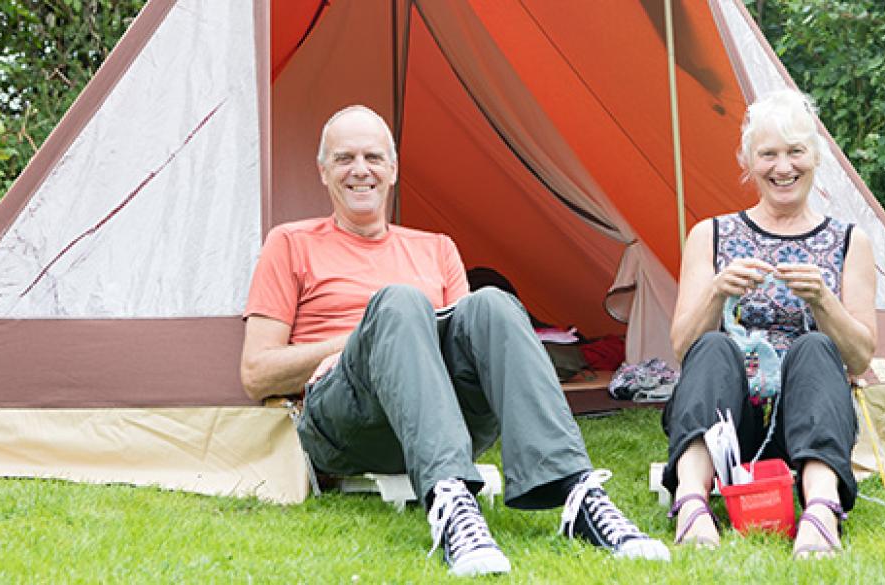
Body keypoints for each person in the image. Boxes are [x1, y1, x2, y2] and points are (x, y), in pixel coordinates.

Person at [239, 106, 669, 577]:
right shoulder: (290, 243)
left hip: (442, 421)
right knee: (400, 303)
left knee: (493, 303)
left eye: (373, 158)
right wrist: (359, 338)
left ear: (393, 169)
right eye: (344, 158)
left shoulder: (437, 247)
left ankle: (577, 493)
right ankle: (450, 504)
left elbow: (471, 344)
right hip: (349, 421)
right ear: (323, 172)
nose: (360, 170)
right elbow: (256, 373)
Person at [661, 89, 877, 557]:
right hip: (728, 424)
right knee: (713, 348)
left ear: (815, 156)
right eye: (769, 155)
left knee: (817, 348)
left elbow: (860, 359)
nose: (783, 167)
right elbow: (682, 349)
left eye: (796, 152)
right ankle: (692, 502)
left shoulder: (849, 241)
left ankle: (820, 512)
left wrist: (824, 301)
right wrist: (717, 290)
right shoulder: (711, 235)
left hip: (807, 421)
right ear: (748, 162)